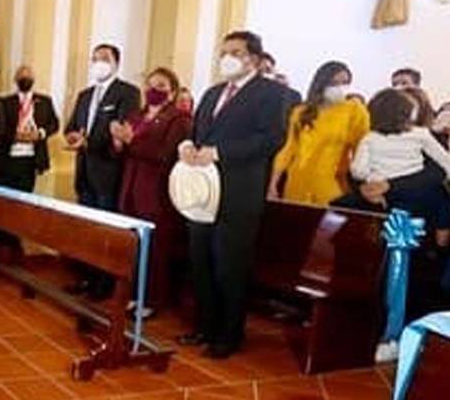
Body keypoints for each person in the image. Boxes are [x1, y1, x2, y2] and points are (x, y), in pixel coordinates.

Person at [179, 30, 289, 359]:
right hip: (203, 190)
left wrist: (220, 152)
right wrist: (188, 145)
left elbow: (270, 139)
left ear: (254, 58)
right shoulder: (213, 93)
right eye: (224, 51)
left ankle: (229, 334)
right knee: (200, 261)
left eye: (236, 52)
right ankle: (205, 325)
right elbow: (198, 131)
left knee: (230, 265)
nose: (227, 57)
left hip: (239, 191)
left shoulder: (271, 93)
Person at [110, 67, 191, 314]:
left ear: (172, 90)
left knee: (156, 249)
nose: (154, 89)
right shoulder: (136, 115)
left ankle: (153, 300)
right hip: (131, 188)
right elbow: (122, 154)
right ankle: (134, 294)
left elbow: (164, 154)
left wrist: (132, 141)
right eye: (151, 84)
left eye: (162, 85)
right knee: (135, 247)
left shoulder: (178, 119)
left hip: (156, 192)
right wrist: (118, 142)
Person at [63, 44, 139, 299]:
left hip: (108, 173)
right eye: (95, 59)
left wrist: (90, 143)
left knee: (106, 230)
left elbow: (122, 132)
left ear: (116, 63)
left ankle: (104, 284)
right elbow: (72, 125)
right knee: (87, 230)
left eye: (104, 59)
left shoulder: (127, 93)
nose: (98, 63)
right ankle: (87, 277)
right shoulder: (85, 95)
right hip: (84, 172)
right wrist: (72, 135)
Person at [345, 88, 450, 238]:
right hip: (388, 201)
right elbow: (354, 175)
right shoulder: (420, 135)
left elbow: (436, 172)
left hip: (413, 200)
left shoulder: (371, 137)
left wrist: (383, 183)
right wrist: (366, 187)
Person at [268, 61, 369, 205]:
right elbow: (288, 149)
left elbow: (362, 148)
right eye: (334, 83)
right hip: (297, 181)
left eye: (345, 83)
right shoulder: (301, 112)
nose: (340, 88)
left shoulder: (354, 110)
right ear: (322, 83)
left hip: (332, 184)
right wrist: (273, 184)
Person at [0, 64, 58, 193]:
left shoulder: (45, 101)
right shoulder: (5, 101)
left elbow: (54, 124)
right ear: (15, 79)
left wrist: (40, 134)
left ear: (33, 79)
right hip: (8, 158)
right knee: (4, 197)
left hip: (31, 159)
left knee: (25, 197)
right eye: (21, 75)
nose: (25, 78)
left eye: (28, 75)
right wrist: (14, 136)